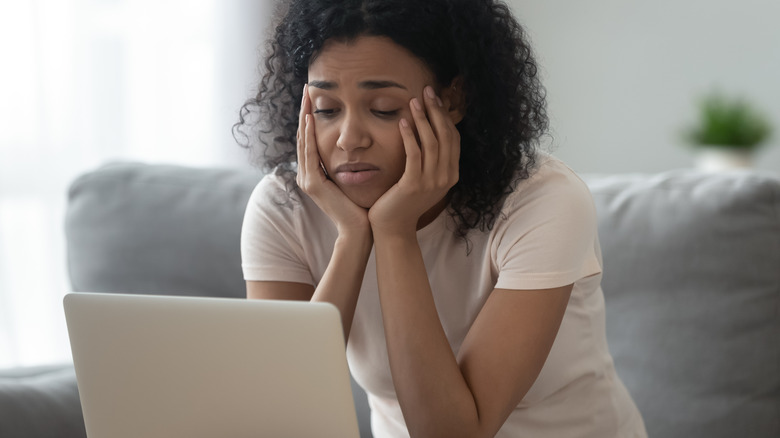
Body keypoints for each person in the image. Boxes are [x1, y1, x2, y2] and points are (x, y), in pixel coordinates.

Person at [235, 1, 648, 437]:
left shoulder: (543, 201)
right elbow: (278, 406)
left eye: (383, 109)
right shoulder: (284, 208)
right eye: (326, 109)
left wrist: (394, 233)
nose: (348, 139)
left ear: (451, 101)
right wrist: (352, 238)